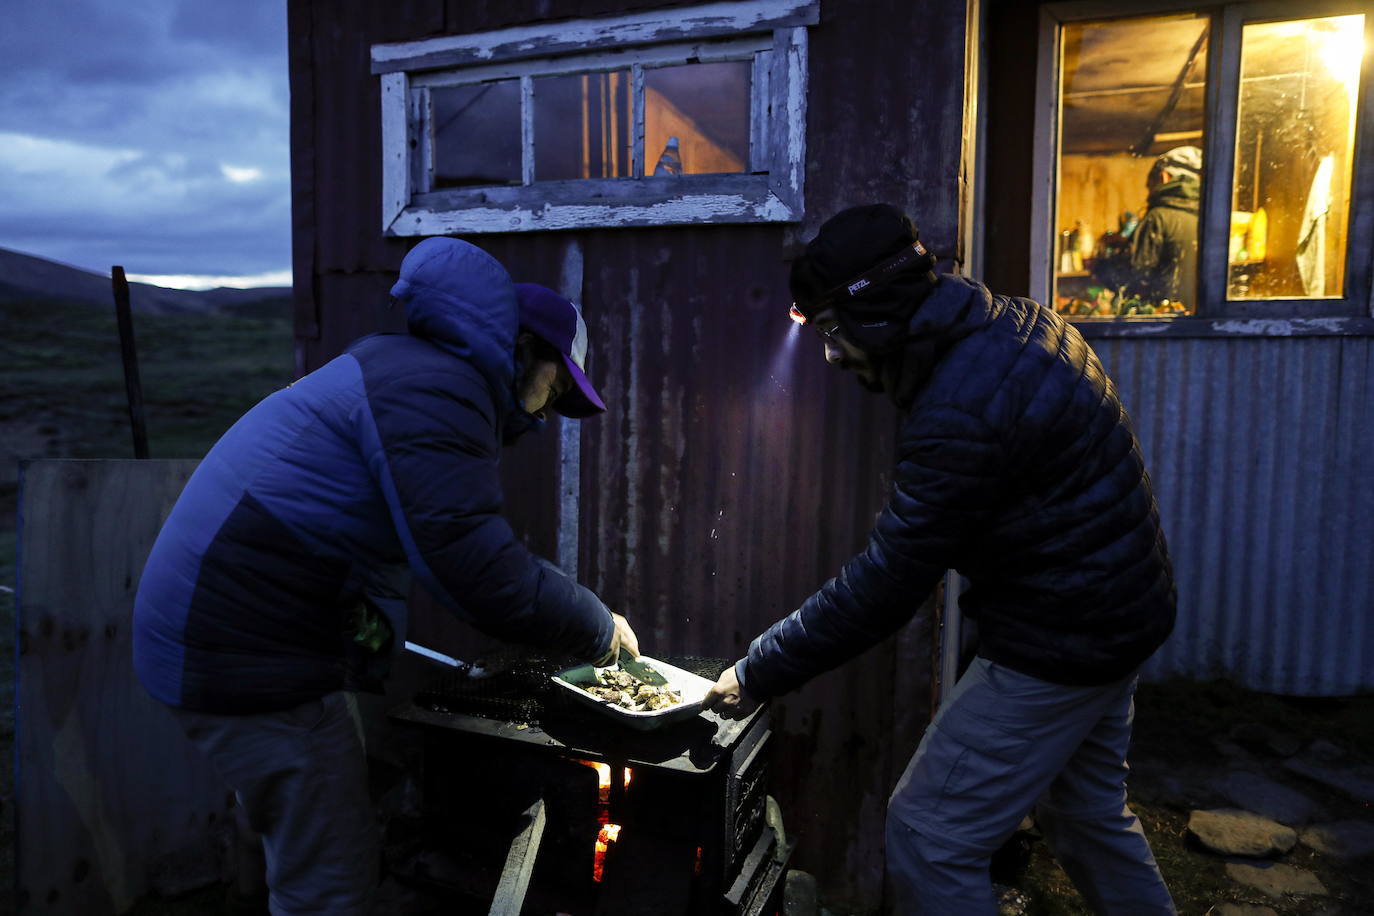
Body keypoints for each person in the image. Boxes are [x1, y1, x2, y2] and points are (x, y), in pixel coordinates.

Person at [132, 236, 639, 915]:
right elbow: (475, 569)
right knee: (331, 881)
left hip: (227, 631)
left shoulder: (410, 370)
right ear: (522, 349)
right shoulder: (439, 390)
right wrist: (597, 627)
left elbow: (388, 548)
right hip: (242, 649)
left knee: (303, 818)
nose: (549, 415)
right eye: (557, 388)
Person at [703, 204, 1178, 914]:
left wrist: (756, 670)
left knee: (930, 834)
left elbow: (886, 584)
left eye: (833, 332)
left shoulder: (963, 406)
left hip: (1065, 638)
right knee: (1086, 816)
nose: (832, 357)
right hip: (1122, 610)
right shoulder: (1013, 326)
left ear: (878, 313)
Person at [1129, 145, 1202, 309]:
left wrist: (1105, 266)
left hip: (1164, 319)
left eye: (1150, 185)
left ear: (1164, 177)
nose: (1149, 193)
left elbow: (1138, 277)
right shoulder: (1209, 217)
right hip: (1201, 319)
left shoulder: (1157, 218)